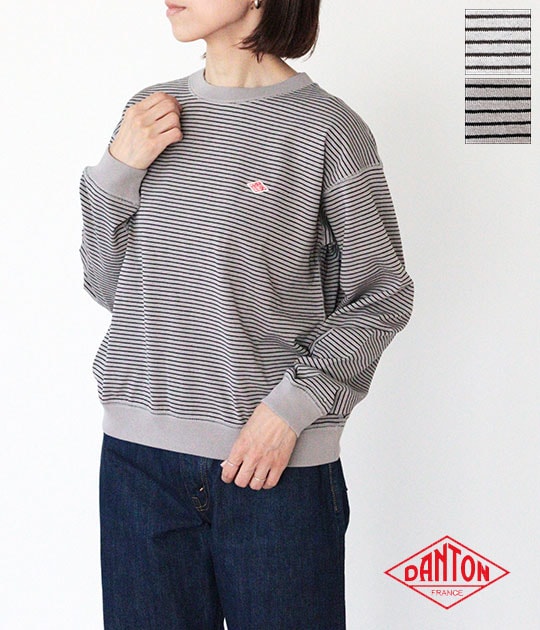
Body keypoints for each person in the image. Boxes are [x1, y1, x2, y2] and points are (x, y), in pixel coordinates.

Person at [78, 0, 415, 628]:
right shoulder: (150, 112)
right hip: (138, 465)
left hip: (272, 467)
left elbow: (381, 293)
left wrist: (291, 410)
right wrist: (116, 172)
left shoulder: (328, 129)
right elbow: (108, 284)